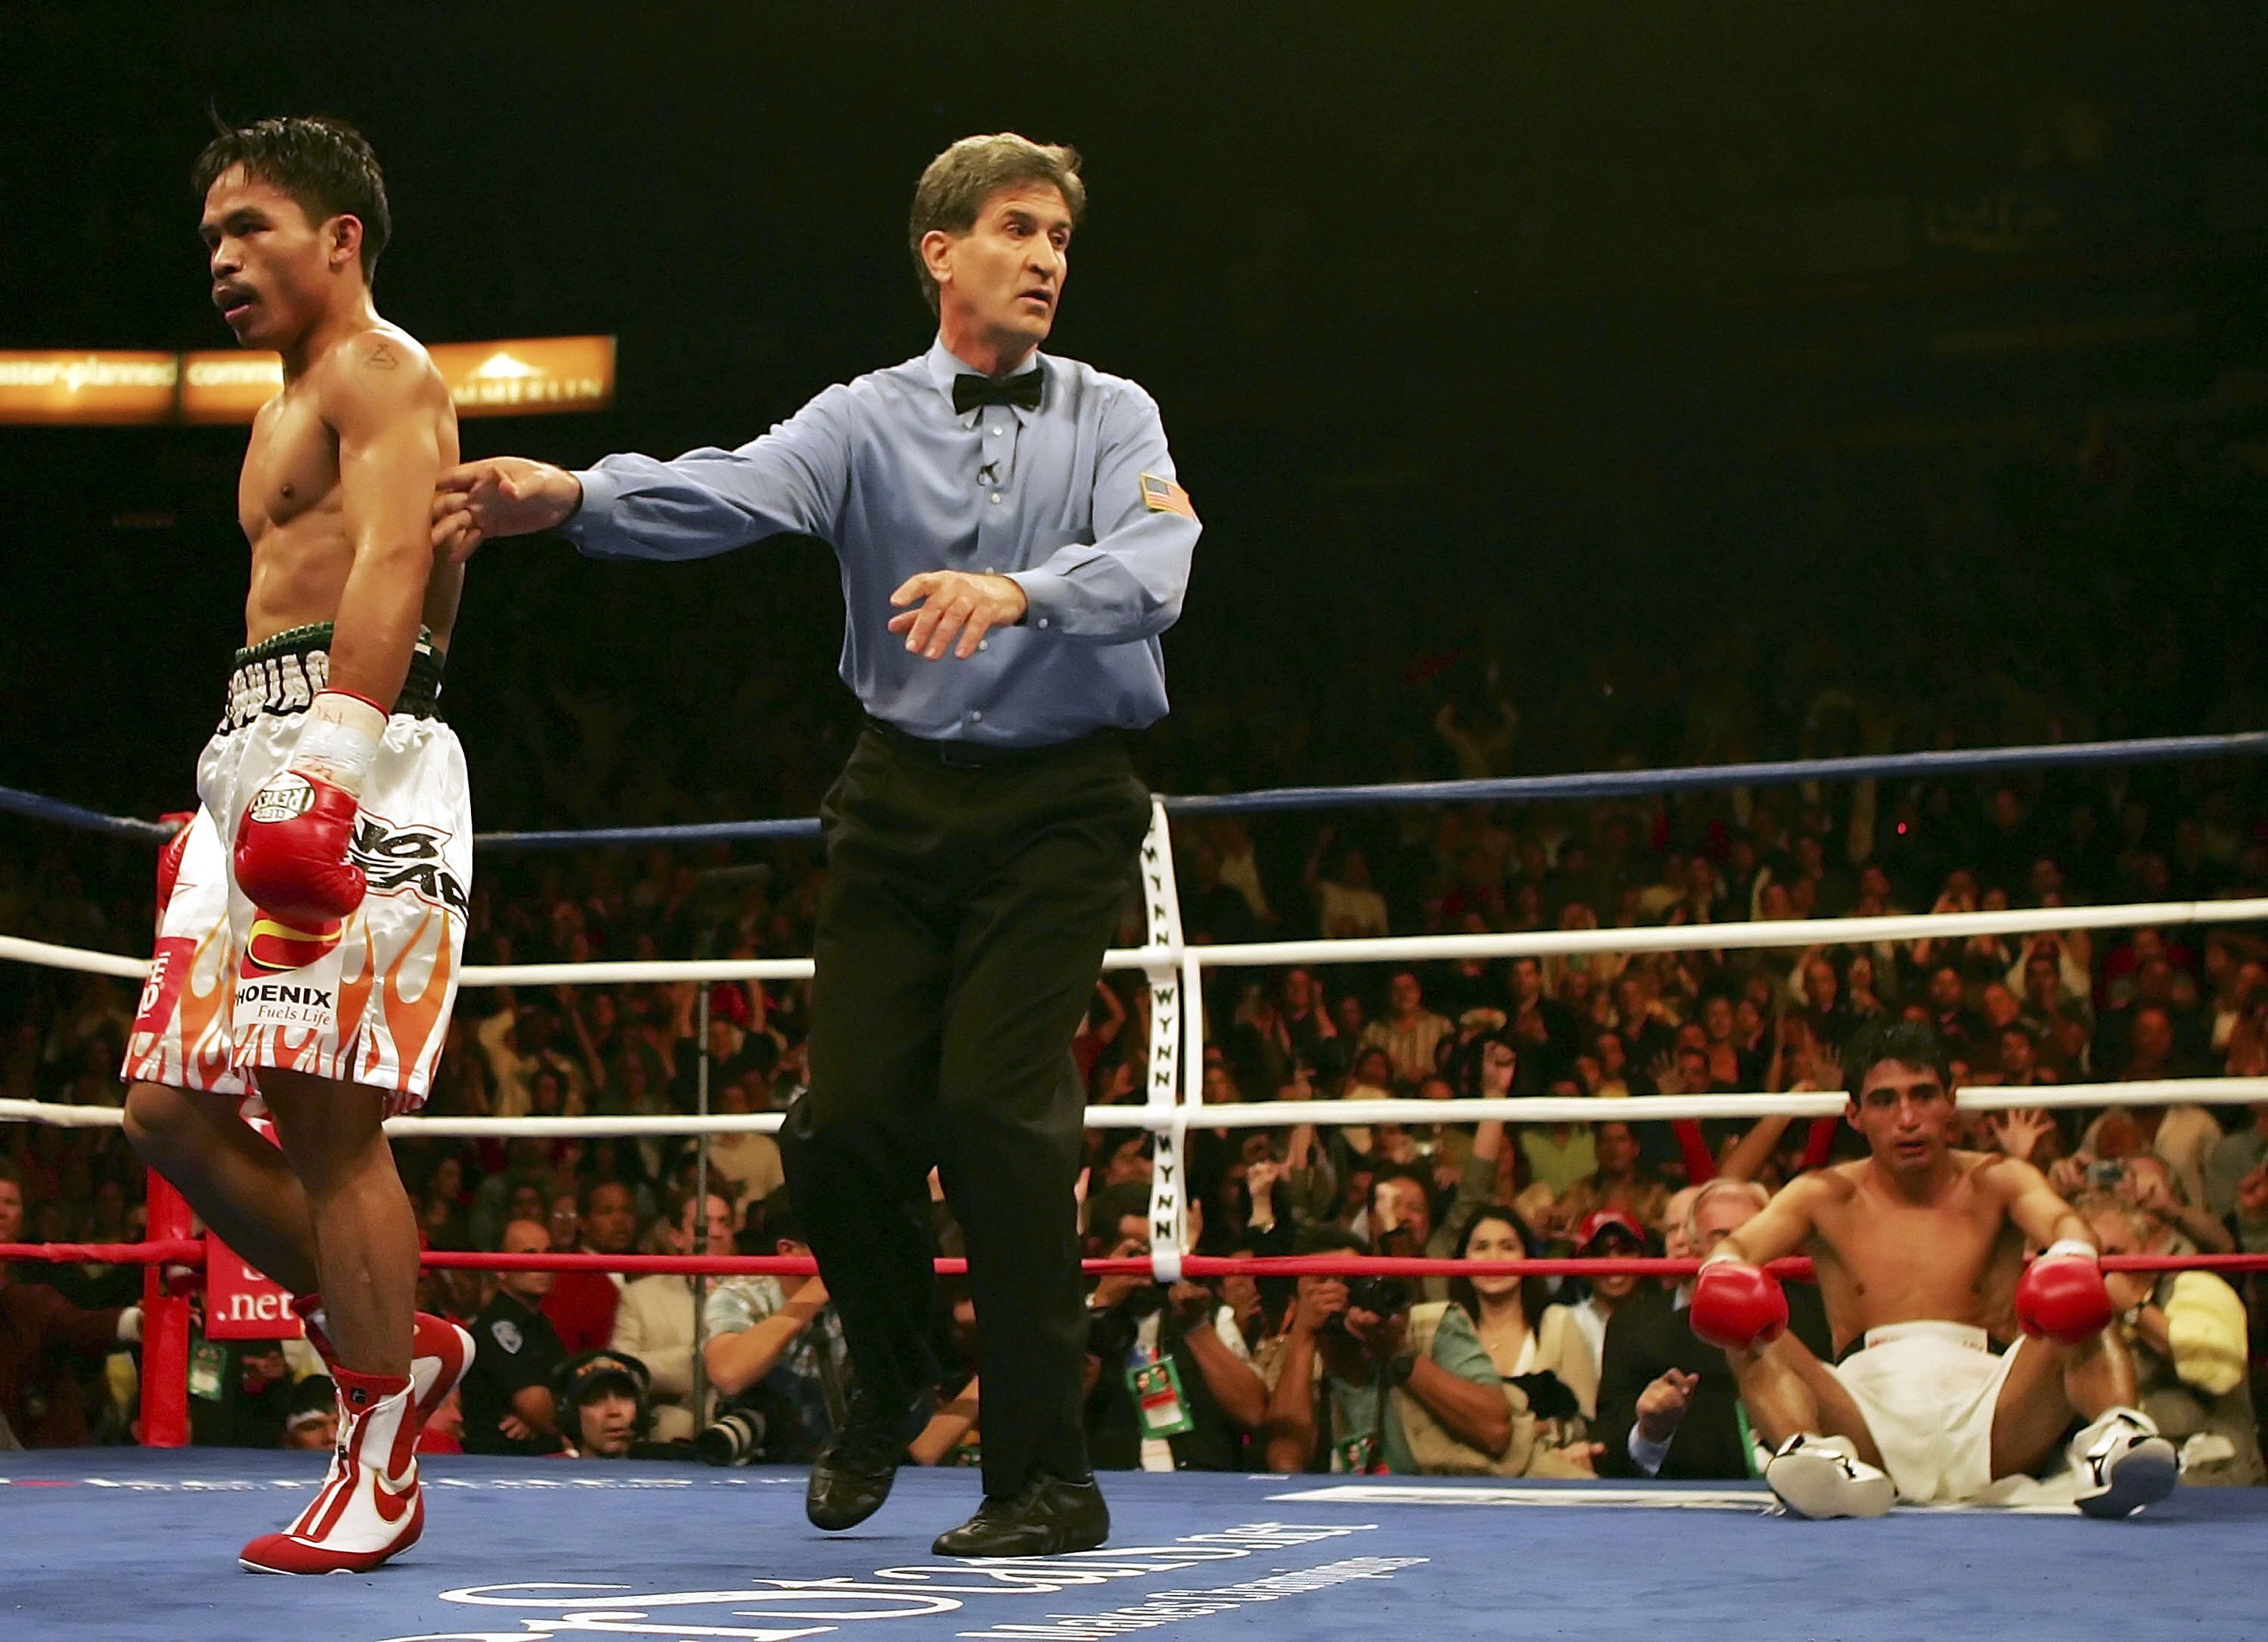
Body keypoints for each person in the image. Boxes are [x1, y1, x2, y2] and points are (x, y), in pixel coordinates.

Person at [431, 132, 1198, 1556]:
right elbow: (731, 488)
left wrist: (1020, 591)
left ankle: (1047, 1477)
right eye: (1018, 229)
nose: (1046, 258)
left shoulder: (1115, 412)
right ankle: (892, 1366)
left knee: (996, 1118)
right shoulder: (862, 419)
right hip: (900, 796)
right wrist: (575, 496)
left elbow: (1160, 565)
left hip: (1061, 802)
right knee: (838, 1130)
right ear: (941, 251)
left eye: (1059, 238)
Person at [113, 116, 473, 1575]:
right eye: (210, 233)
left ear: (339, 237)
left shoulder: (381, 371)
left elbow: (397, 561)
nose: (219, 256)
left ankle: (380, 1450)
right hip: (248, 753)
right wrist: (247, 785)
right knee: (163, 1110)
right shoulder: (281, 405)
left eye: (248, 226)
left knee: (328, 1122)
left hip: (344, 746)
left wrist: (335, 766)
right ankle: (397, 1336)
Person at [1692, 1016, 2179, 1519]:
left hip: (1994, 1412)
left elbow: (2064, 1223)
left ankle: (2117, 1441)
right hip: (1864, 1421)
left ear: (1951, 1101)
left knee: (2078, 1287)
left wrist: (2071, 1253)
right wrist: (1724, 1270)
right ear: (1854, 1114)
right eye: (1884, 1101)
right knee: (1743, 1319)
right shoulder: (1822, 1194)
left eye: (1923, 1095)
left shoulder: (2000, 1180)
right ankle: (1811, 1458)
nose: (1907, 1119)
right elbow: (1737, 1247)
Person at [1594, 1180, 1833, 1482]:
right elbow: (1608, 1450)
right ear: (1696, 1248)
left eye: (1751, 1233)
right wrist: (1651, 1433)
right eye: (1723, 1238)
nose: (1739, 1248)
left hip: (1813, 1492)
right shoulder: (1641, 1334)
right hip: (1697, 1497)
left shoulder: (1821, 1315)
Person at [610, 1188, 736, 1442]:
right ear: (677, 1237)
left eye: (724, 1222)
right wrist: (697, 1360)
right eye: (703, 1225)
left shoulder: (758, 1290)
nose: (716, 1232)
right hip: (668, 1437)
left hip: (741, 1430)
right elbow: (621, 1370)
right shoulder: (640, 1296)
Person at [461, 1219, 568, 1457]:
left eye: (548, 1253)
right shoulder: (498, 1324)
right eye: (530, 1255)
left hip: (533, 1456)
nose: (543, 1264)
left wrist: (537, 1421)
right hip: (498, 1460)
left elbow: (563, 1391)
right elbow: (536, 1406)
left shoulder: (539, 1323)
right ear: (500, 1268)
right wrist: (541, 1419)